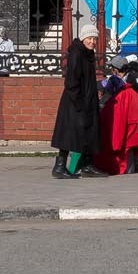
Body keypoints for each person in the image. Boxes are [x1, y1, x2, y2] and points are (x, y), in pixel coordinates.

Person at [51, 11, 101, 179]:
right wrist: (79, 103)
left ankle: (87, 165)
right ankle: (59, 166)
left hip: (86, 101)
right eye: (90, 38)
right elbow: (71, 81)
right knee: (69, 134)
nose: (92, 42)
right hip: (75, 102)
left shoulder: (88, 55)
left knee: (88, 132)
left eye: (95, 39)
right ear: (83, 38)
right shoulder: (77, 54)